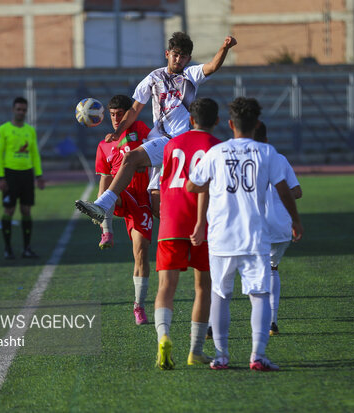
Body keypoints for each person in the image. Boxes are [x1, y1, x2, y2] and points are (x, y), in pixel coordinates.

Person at [187, 97, 304, 372]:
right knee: (259, 294)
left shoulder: (216, 153)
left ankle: (222, 355)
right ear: (257, 124)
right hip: (254, 236)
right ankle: (257, 355)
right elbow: (285, 189)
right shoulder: (267, 153)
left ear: (230, 124)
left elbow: (193, 185)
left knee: (220, 294)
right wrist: (296, 220)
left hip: (221, 237)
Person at [75, 32, 237, 224]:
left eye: (183, 56)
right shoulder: (153, 78)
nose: (179, 59)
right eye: (175, 54)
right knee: (156, 204)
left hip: (175, 140)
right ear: (167, 53)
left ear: (189, 58)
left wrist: (224, 48)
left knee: (131, 157)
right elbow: (134, 109)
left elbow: (212, 67)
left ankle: (102, 204)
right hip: (158, 140)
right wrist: (118, 133)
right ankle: (194, 230)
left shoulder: (191, 75)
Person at [153, 97, 221, 370]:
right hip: (203, 224)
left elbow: (164, 181)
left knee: (165, 287)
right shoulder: (218, 147)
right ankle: (195, 350)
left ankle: (164, 335)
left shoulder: (171, 145)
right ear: (216, 122)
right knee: (203, 287)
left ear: (190, 120)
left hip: (171, 223)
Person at [94, 95, 153, 325]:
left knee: (141, 254)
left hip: (142, 198)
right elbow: (105, 179)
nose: (116, 119)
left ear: (129, 113)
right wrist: (101, 206)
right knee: (108, 188)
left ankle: (139, 305)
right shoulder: (104, 144)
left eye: (120, 114)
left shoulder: (140, 129)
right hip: (121, 197)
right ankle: (106, 231)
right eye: (112, 115)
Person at [253, 121, 302, 337]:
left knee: (249, 272)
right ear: (266, 139)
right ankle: (272, 321)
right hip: (281, 226)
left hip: (252, 226)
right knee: (272, 269)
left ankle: (210, 326)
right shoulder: (279, 158)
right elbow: (297, 191)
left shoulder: (240, 159)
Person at [0, 97, 45, 259]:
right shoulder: (3, 130)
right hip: (10, 175)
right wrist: (1, 177)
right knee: (9, 210)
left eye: (23, 110)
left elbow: (35, 154)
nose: (21, 112)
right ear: (13, 110)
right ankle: (8, 248)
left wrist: (39, 175)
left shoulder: (30, 131)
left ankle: (27, 248)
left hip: (27, 174)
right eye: (18, 109)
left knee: (26, 210)